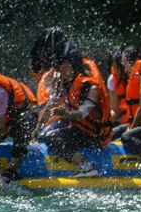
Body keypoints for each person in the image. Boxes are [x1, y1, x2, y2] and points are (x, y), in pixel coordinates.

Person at [36, 46, 111, 177]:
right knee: (42, 135)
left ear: (74, 65)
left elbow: (82, 113)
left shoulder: (91, 87)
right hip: (79, 129)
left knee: (51, 137)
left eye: (64, 65)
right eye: (59, 66)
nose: (61, 69)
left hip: (94, 136)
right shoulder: (65, 83)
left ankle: (86, 166)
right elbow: (51, 105)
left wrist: (65, 114)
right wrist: (37, 127)